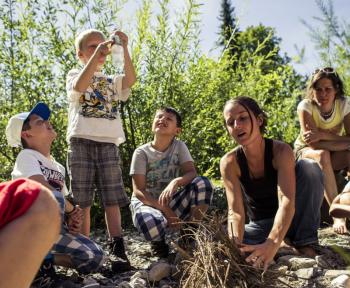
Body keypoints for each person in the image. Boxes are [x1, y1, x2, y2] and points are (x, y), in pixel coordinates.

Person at [220, 96, 324, 271]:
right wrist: (235, 247)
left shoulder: (281, 151)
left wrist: (272, 242)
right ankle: (283, 243)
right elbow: (236, 212)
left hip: (293, 218)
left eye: (243, 118)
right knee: (220, 236)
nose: (237, 125)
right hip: (261, 227)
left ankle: (306, 243)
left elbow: (286, 201)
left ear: (259, 120)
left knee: (309, 167)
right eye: (230, 122)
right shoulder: (229, 162)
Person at [5, 102, 105, 275]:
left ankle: (43, 259)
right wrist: (72, 209)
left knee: (95, 256)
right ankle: (32, 263)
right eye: (39, 122)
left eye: (45, 119)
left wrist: (72, 220)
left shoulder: (58, 167)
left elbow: (63, 206)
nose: (46, 121)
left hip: (50, 232)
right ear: (26, 134)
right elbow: (43, 189)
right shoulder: (26, 156)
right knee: (51, 195)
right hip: (26, 229)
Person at [66, 28, 136, 269]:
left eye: (102, 46)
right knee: (82, 199)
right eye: (91, 47)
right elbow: (79, 86)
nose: (99, 51)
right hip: (81, 141)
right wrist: (96, 55)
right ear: (80, 53)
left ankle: (117, 247)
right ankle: (85, 250)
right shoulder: (75, 73)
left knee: (111, 197)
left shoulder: (111, 80)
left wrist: (124, 47)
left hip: (108, 142)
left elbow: (130, 80)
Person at [0, 178, 90, 288]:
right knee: (42, 200)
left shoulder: (57, 168)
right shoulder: (26, 159)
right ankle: (43, 264)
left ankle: (44, 260)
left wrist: (71, 214)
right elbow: (34, 198)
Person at [129, 107, 214, 257]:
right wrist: (165, 210)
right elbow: (139, 191)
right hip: (147, 203)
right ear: (153, 124)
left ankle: (189, 235)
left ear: (177, 130)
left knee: (203, 183)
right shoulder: (141, 152)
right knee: (149, 223)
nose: (162, 120)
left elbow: (192, 172)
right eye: (159, 117)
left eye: (168, 119)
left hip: (172, 200)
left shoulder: (179, 146)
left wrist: (175, 182)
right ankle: (159, 244)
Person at [294, 67, 350, 234]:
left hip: (333, 152)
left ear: (336, 90)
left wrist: (323, 134)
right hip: (305, 152)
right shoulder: (305, 106)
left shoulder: (344, 104)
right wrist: (342, 143)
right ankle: (337, 215)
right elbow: (313, 144)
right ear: (312, 91)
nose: (323, 94)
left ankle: (347, 197)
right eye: (318, 89)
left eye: (328, 89)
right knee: (322, 154)